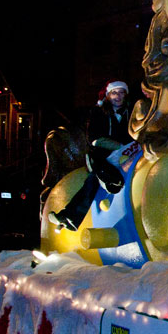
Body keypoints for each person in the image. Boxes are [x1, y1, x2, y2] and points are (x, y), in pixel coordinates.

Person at [49, 80, 132, 230]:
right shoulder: (98, 113)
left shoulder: (130, 111)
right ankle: (70, 216)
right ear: (108, 95)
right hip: (103, 158)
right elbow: (94, 138)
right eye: (114, 93)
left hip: (129, 154)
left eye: (121, 93)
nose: (118, 97)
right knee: (94, 181)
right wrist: (118, 146)